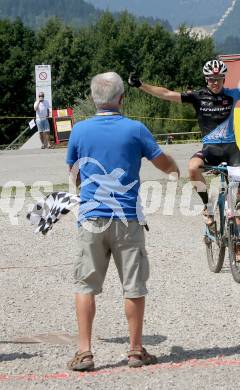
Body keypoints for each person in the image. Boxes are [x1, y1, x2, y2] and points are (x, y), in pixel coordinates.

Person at [66, 71, 179, 371]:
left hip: (91, 218)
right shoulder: (135, 129)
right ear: (121, 98)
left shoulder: (79, 131)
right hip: (127, 218)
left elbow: (74, 174)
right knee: (133, 285)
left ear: (93, 99)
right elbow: (161, 161)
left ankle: (85, 352)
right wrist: (174, 169)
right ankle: (134, 351)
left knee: (85, 285)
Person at [128, 59, 240, 225]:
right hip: (210, 149)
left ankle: (239, 244)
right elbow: (166, 93)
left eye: (218, 79)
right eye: (211, 79)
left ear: (224, 79)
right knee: (193, 168)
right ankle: (207, 206)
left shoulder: (232, 94)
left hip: (231, 151)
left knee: (238, 201)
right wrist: (141, 85)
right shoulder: (197, 97)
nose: (215, 83)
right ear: (206, 79)